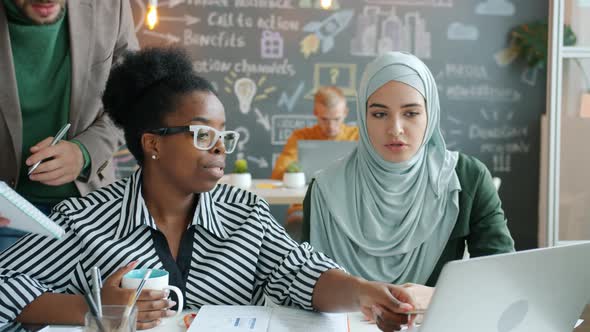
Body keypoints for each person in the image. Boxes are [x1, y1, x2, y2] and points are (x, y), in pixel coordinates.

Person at [0, 48, 421, 332]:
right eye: (203, 135)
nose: (220, 147)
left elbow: (301, 271)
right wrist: (94, 312)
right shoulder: (85, 220)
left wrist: (363, 292)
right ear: (153, 143)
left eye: (224, 135)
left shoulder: (246, 215)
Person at [302, 52, 515, 290]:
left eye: (411, 113)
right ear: (363, 117)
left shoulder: (467, 177)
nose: (395, 129)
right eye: (379, 114)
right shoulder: (324, 189)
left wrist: (433, 298)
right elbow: (308, 286)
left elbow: (500, 277)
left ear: (430, 113)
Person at [0, 0, 138, 249]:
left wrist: (84, 152)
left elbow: (135, 97)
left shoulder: (110, 6)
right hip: (6, 218)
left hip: (92, 212)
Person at [271, 86, 358, 241]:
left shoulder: (357, 137)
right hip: (304, 207)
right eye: (324, 119)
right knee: (297, 223)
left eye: (336, 119)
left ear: (345, 113)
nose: (331, 126)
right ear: (315, 113)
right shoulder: (301, 136)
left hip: (348, 207)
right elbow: (278, 173)